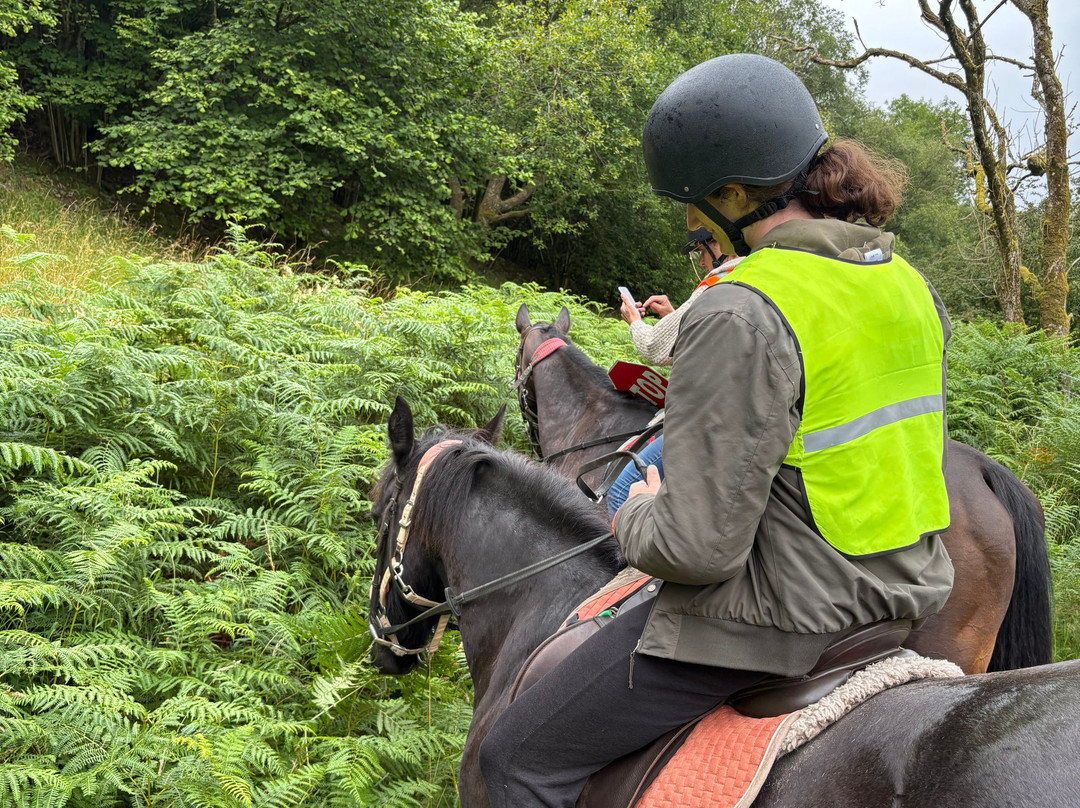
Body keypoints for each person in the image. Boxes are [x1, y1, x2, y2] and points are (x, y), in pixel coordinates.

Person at [479, 53, 954, 808]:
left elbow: (697, 549)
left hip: (777, 621)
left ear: (734, 193)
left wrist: (635, 511)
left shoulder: (742, 308)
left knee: (510, 762)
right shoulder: (905, 283)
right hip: (901, 597)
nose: (691, 222)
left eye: (692, 204)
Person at [605, 230, 743, 516]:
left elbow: (654, 346)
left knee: (621, 493)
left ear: (719, 244)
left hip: (705, 419)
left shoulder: (720, 281)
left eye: (701, 252)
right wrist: (671, 317)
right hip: (729, 414)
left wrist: (634, 321)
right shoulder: (747, 276)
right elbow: (699, 348)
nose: (702, 262)